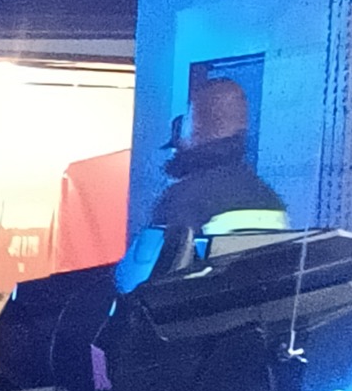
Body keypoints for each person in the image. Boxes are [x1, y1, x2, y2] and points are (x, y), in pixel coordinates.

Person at [117, 73, 288, 294]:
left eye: (188, 116)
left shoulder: (182, 198)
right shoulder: (269, 197)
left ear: (196, 124)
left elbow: (140, 285)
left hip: (195, 310)